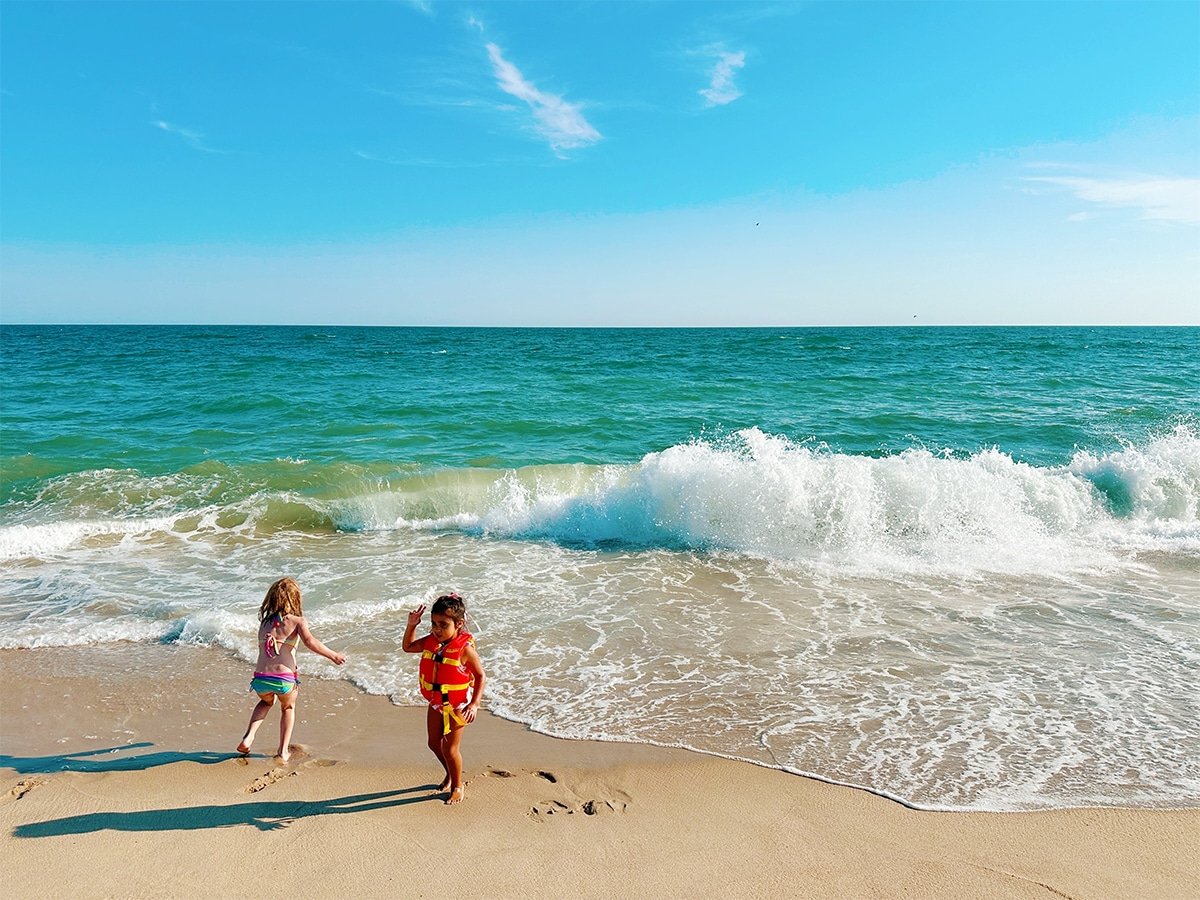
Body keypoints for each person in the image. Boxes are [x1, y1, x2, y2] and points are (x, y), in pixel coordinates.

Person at [236, 577, 345, 763]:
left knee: (265, 703)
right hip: (284, 679)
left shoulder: (264, 623)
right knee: (288, 707)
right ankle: (283, 750)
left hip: (260, 679)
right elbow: (311, 642)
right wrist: (333, 655)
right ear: (296, 599)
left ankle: (249, 736)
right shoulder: (297, 621)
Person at [403, 593, 486, 805]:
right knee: (433, 743)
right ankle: (450, 772)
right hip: (436, 702)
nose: (436, 629)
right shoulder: (431, 641)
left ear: (459, 624)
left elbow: (480, 676)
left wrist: (474, 704)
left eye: (443, 624)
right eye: (433, 624)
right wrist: (412, 625)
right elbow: (408, 647)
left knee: (450, 749)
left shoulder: (465, 650)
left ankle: (458, 785)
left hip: (458, 705)